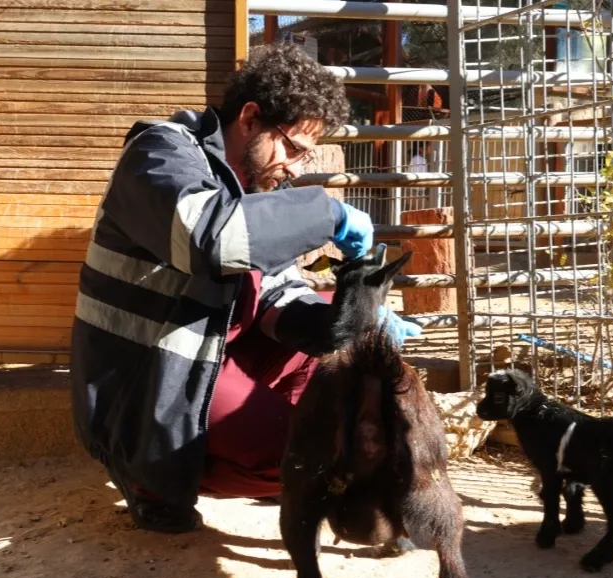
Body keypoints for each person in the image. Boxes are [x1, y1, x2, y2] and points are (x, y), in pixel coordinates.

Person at [68, 42, 423, 534]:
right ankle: (151, 480)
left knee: (335, 356)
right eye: (294, 148)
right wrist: (326, 212)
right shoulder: (159, 155)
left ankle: (279, 465)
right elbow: (208, 238)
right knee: (307, 449)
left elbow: (276, 290)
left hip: (211, 351)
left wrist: (346, 319)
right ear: (251, 119)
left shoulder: (257, 182)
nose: (297, 168)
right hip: (151, 377)